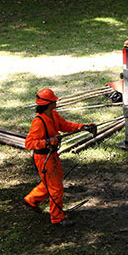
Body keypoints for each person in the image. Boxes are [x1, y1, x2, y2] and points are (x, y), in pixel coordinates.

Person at [23, 88, 96, 227]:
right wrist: (48, 142)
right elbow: (29, 143)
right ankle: (57, 218)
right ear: (48, 103)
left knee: (51, 183)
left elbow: (65, 126)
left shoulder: (53, 115)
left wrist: (83, 127)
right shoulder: (39, 122)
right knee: (56, 188)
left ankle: (31, 199)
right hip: (43, 158)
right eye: (54, 100)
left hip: (52, 155)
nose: (56, 102)